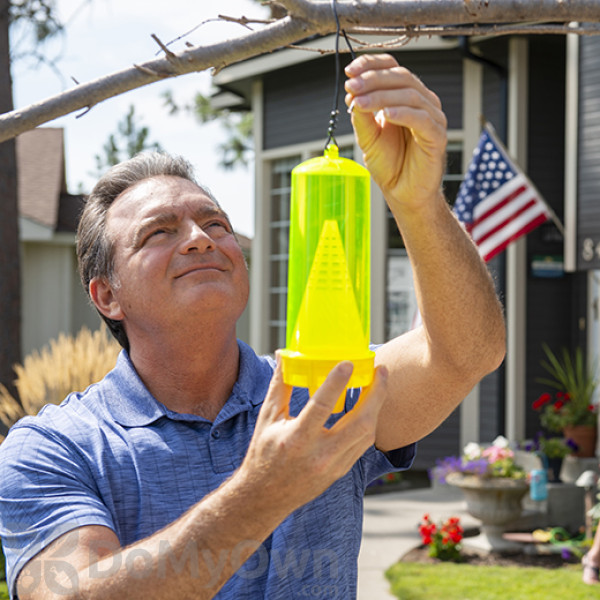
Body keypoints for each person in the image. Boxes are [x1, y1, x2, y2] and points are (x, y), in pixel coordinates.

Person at [0, 53, 505, 599]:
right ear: (107, 295)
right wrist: (263, 492)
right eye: (159, 233)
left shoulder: (322, 391)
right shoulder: (56, 447)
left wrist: (419, 203)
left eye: (214, 222)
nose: (201, 237)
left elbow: (466, 351)